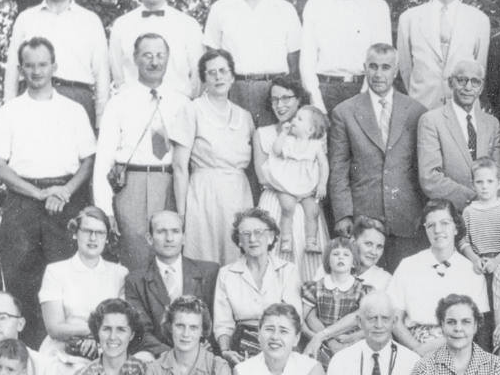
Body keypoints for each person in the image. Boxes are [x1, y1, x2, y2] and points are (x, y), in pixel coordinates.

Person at [0, 36, 97, 347]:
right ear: (21, 69)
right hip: (23, 200)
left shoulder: (73, 110)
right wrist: (37, 193)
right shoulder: (10, 111)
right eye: (30, 65)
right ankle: (24, 358)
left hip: (66, 199)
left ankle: (69, 355)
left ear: (54, 67)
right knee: (22, 284)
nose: (36, 71)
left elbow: (88, 160)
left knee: (67, 282)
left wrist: (65, 190)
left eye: (42, 64)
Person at [94, 32, 188, 274]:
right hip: (132, 186)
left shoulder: (182, 102)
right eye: (147, 55)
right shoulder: (119, 103)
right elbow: (104, 158)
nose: (154, 62)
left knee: (171, 258)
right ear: (135, 59)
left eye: (160, 55)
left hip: (171, 183)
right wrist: (105, 208)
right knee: (136, 259)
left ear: (168, 59)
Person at [327, 43, 428, 268]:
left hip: (407, 216)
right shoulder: (344, 112)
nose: (379, 74)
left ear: (396, 70)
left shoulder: (416, 111)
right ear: (364, 68)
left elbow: (422, 167)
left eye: (385, 67)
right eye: (373, 67)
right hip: (364, 217)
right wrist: (343, 214)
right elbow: (339, 167)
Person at [3, 0, 108, 126]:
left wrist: (101, 121)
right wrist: (8, 113)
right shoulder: (26, 19)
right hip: (31, 98)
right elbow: (13, 70)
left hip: (77, 98)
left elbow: (102, 75)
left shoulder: (90, 21)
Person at [171, 49, 256, 266]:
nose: (218, 77)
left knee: (237, 257)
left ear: (232, 76)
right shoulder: (192, 110)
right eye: (211, 73)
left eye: (223, 71)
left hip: (239, 194)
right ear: (204, 79)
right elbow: (180, 167)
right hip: (204, 194)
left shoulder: (244, 116)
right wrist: (181, 214)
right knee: (204, 260)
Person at [203, 0, 301, 127]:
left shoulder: (285, 9)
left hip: (275, 93)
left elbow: (294, 63)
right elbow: (212, 58)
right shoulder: (221, 8)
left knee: (274, 149)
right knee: (235, 150)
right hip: (234, 91)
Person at [36, 206, 129, 375]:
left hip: (107, 351)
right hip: (62, 354)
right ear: (75, 233)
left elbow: (123, 324)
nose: (93, 238)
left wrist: (97, 340)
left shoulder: (119, 273)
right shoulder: (56, 271)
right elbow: (54, 328)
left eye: (100, 233)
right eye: (87, 231)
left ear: (106, 237)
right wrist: (93, 332)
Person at [298, 0, 392, 113]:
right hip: (324, 91)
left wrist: (366, 101)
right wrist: (317, 104)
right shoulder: (316, 4)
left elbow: (381, 60)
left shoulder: (377, 7)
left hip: (363, 90)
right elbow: (306, 62)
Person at [252, 77, 330, 281]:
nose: (280, 104)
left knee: (309, 262)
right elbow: (263, 177)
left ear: (299, 101)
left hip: (306, 204)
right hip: (275, 201)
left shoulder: (314, 135)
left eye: (286, 98)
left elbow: (319, 169)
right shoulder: (263, 133)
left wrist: (304, 188)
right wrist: (296, 186)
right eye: (275, 99)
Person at [388, 210, 492, 359]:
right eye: (431, 225)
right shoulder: (408, 265)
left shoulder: (472, 271)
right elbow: (395, 319)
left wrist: (437, 345)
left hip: (458, 345)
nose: (438, 230)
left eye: (444, 223)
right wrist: (417, 350)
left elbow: (477, 324)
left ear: (455, 228)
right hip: (412, 347)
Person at [397, 0, 491, 111]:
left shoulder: (479, 20)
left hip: (462, 109)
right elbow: (406, 69)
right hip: (421, 108)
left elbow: (479, 68)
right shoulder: (409, 19)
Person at [123, 211, 220, 359]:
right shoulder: (135, 280)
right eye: (161, 232)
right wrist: (172, 355)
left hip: (203, 353)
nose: (169, 238)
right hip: (161, 356)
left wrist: (204, 344)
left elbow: (217, 319)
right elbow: (142, 331)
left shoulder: (208, 272)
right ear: (149, 238)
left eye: (175, 231)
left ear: (184, 238)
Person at [212, 208, 302, 363]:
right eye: (246, 234)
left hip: (280, 341)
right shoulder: (226, 274)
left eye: (258, 232)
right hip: (241, 346)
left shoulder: (288, 270)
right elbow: (223, 323)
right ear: (239, 241)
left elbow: (293, 318)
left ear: (271, 237)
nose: (252, 239)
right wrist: (226, 351)